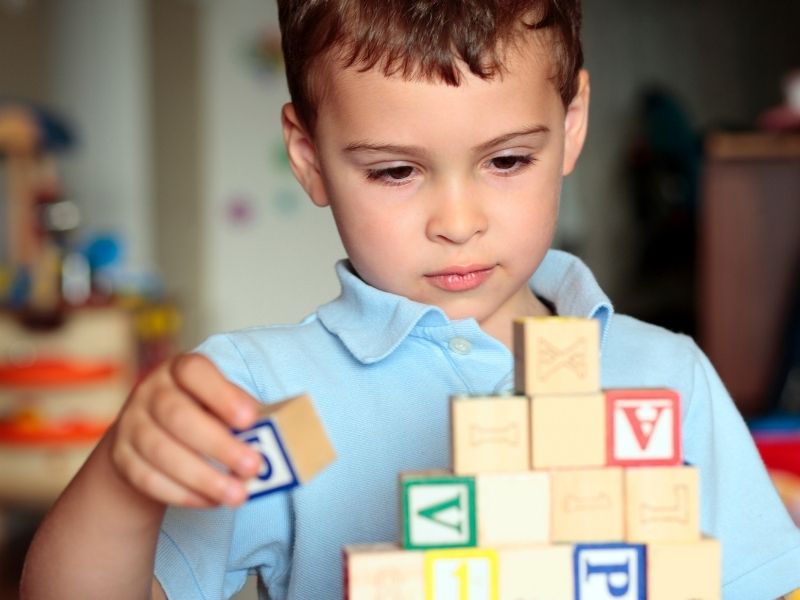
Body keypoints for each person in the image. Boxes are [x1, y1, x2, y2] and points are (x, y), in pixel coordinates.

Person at [21, 1, 800, 598]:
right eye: (396, 172)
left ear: (571, 126)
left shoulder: (666, 377)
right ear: (310, 157)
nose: (458, 223)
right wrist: (125, 483)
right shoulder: (259, 396)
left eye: (507, 160)